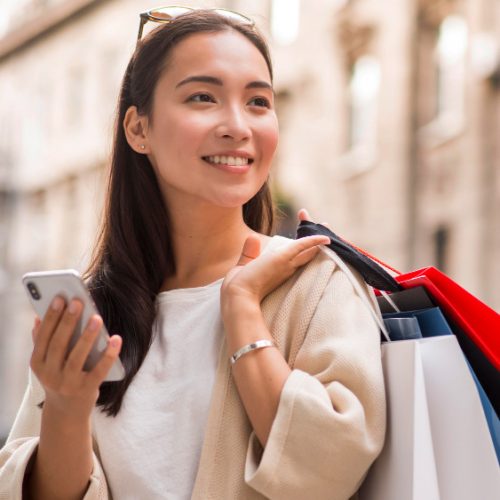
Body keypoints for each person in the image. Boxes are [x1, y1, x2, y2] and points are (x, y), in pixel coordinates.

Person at [0, 7, 386, 500]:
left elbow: (330, 471)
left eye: (258, 102)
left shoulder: (313, 284)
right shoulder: (93, 309)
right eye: (203, 97)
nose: (237, 126)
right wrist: (66, 406)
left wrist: (243, 309)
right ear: (138, 129)